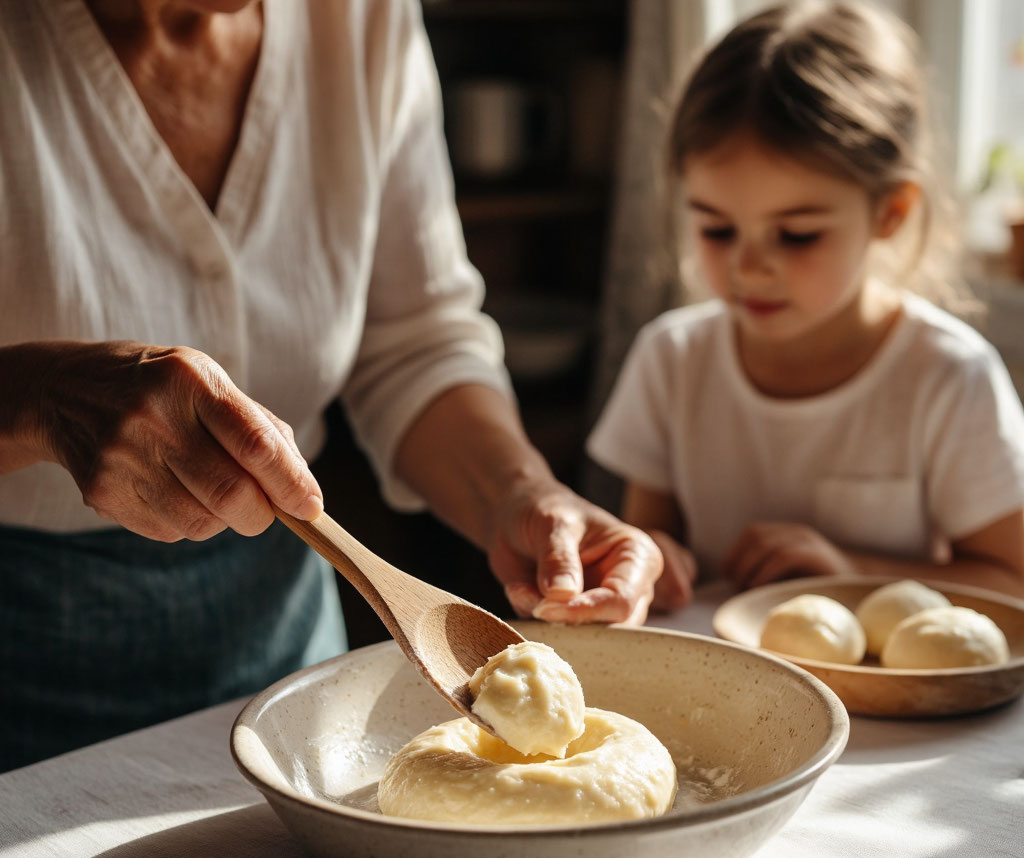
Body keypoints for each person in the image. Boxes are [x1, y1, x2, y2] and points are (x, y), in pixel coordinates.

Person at [0, 0, 662, 772]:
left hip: (288, 648)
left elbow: (411, 343)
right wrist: (35, 399)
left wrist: (518, 491)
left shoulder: (363, 16)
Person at [587, 0, 1024, 612]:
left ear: (890, 212)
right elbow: (649, 541)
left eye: (796, 235)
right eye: (717, 229)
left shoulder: (949, 378)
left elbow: (1013, 582)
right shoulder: (672, 359)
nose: (748, 268)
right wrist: (650, 561)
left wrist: (854, 573)